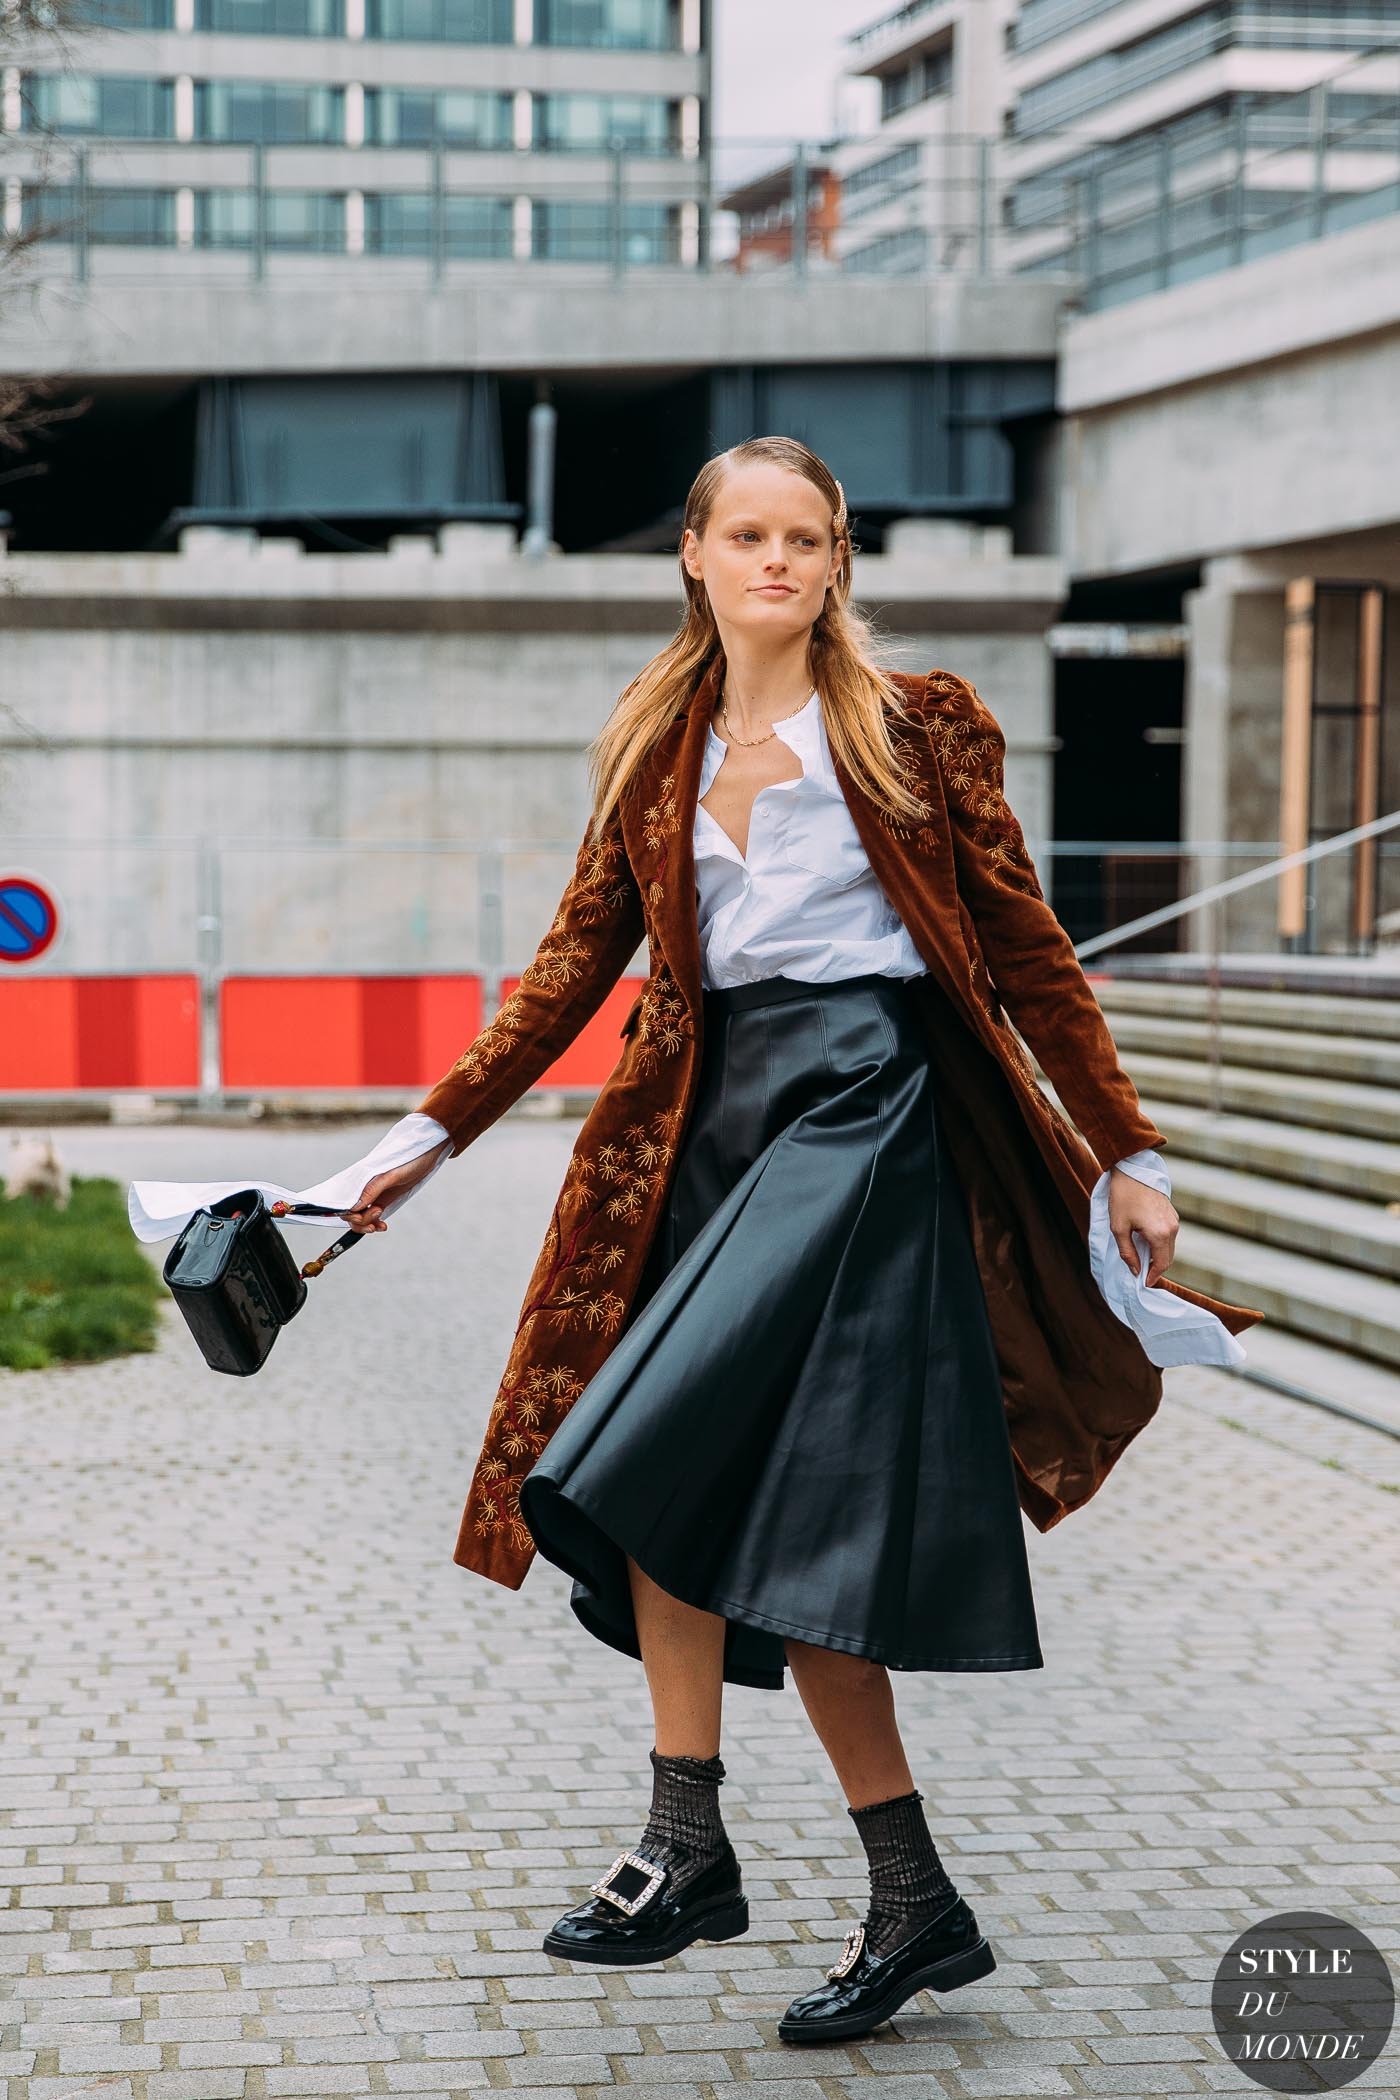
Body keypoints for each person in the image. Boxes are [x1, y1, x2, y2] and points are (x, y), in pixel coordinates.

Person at [333, 437, 1249, 2046]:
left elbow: (1028, 949)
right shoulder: (654, 745)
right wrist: (409, 1151)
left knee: (661, 1455)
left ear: (837, 563)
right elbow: (565, 978)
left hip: (870, 1120)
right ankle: (879, 1893)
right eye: (747, 535)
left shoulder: (915, 724)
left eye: (807, 539)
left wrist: (1128, 1151)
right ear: (693, 553)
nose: (778, 562)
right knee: (699, 1499)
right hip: (711, 1135)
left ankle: (696, 1844)